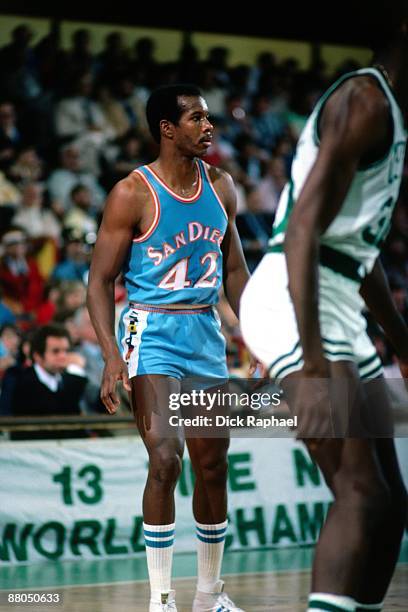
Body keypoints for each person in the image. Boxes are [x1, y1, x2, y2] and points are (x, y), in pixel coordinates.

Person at [240, 5, 408, 612]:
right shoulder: (365, 99)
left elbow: (358, 256)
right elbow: (306, 227)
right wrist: (312, 365)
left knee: (389, 503)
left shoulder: (388, 112)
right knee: (360, 491)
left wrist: (402, 342)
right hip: (293, 291)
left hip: (331, 293)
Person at [87, 84, 252, 611]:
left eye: (209, 118)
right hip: (151, 332)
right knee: (165, 458)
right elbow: (98, 281)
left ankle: (209, 595)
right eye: (198, 118)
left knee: (213, 465)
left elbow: (234, 269)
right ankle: (161, 599)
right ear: (168, 128)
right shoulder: (131, 193)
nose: (210, 127)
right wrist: (112, 353)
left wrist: (261, 335)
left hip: (204, 332)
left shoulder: (222, 187)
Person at [10, 324, 88, 439]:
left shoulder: (74, 380)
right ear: (38, 356)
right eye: (56, 351)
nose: (63, 356)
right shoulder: (19, 381)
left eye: (66, 351)